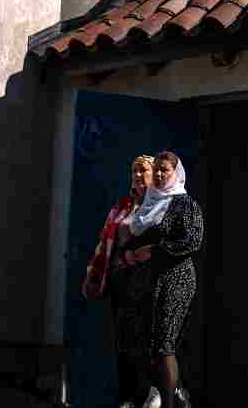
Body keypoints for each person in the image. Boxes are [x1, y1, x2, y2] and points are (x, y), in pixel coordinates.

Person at [116, 150, 204, 408]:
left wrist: (154, 250)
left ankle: (169, 402)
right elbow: (133, 239)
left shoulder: (184, 203)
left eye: (165, 170)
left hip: (175, 279)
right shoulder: (149, 203)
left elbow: (192, 240)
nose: (160, 174)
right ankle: (154, 395)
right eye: (157, 170)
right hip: (148, 281)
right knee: (145, 343)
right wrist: (130, 253)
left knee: (165, 343)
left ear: (175, 173)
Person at [82, 154, 157, 408]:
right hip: (119, 280)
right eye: (134, 171)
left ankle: (148, 394)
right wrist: (94, 271)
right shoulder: (122, 205)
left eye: (143, 170)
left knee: (142, 340)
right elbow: (105, 241)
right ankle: (127, 398)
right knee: (122, 341)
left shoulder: (161, 205)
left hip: (145, 280)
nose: (137, 175)